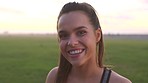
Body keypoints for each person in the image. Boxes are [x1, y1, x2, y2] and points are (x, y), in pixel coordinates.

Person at [46, 2, 132, 83]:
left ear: (97, 35)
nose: (72, 43)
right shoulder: (54, 77)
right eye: (64, 35)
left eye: (81, 32)